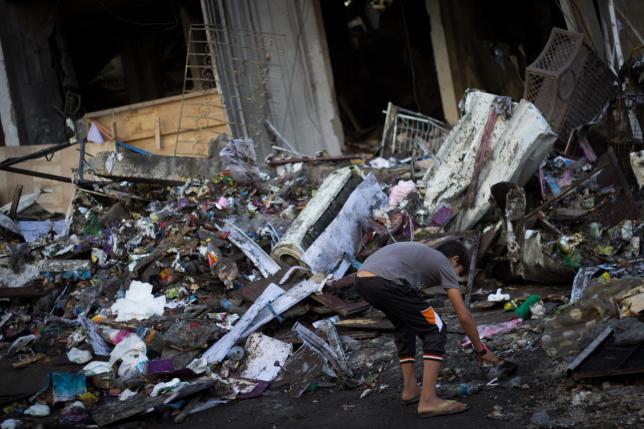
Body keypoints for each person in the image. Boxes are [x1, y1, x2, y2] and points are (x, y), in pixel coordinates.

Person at [328, 240, 499, 418]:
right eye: (459, 273)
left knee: (405, 325)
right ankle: (429, 401)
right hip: (383, 281)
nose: (455, 278)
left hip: (363, 281)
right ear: (454, 260)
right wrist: (480, 350)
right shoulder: (443, 262)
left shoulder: (418, 259)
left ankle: (410, 389)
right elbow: (463, 315)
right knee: (436, 327)